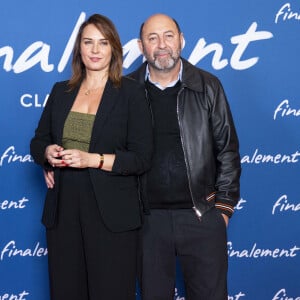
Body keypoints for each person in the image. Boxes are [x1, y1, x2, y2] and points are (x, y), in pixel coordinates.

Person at [30, 14, 153, 300]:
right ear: (79, 49)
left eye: (103, 42)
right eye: (88, 42)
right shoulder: (61, 91)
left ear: (114, 50)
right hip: (63, 211)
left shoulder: (131, 93)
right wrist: (47, 154)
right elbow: (38, 142)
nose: (95, 50)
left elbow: (141, 158)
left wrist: (92, 159)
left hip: (111, 214)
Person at [128, 14, 241, 300]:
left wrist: (223, 209)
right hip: (147, 221)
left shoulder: (208, 86)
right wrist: (49, 156)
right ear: (141, 46)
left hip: (201, 216)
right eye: (152, 38)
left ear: (181, 40)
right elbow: (102, 140)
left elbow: (227, 149)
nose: (161, 44)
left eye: (168, 36)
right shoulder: (125, 90)